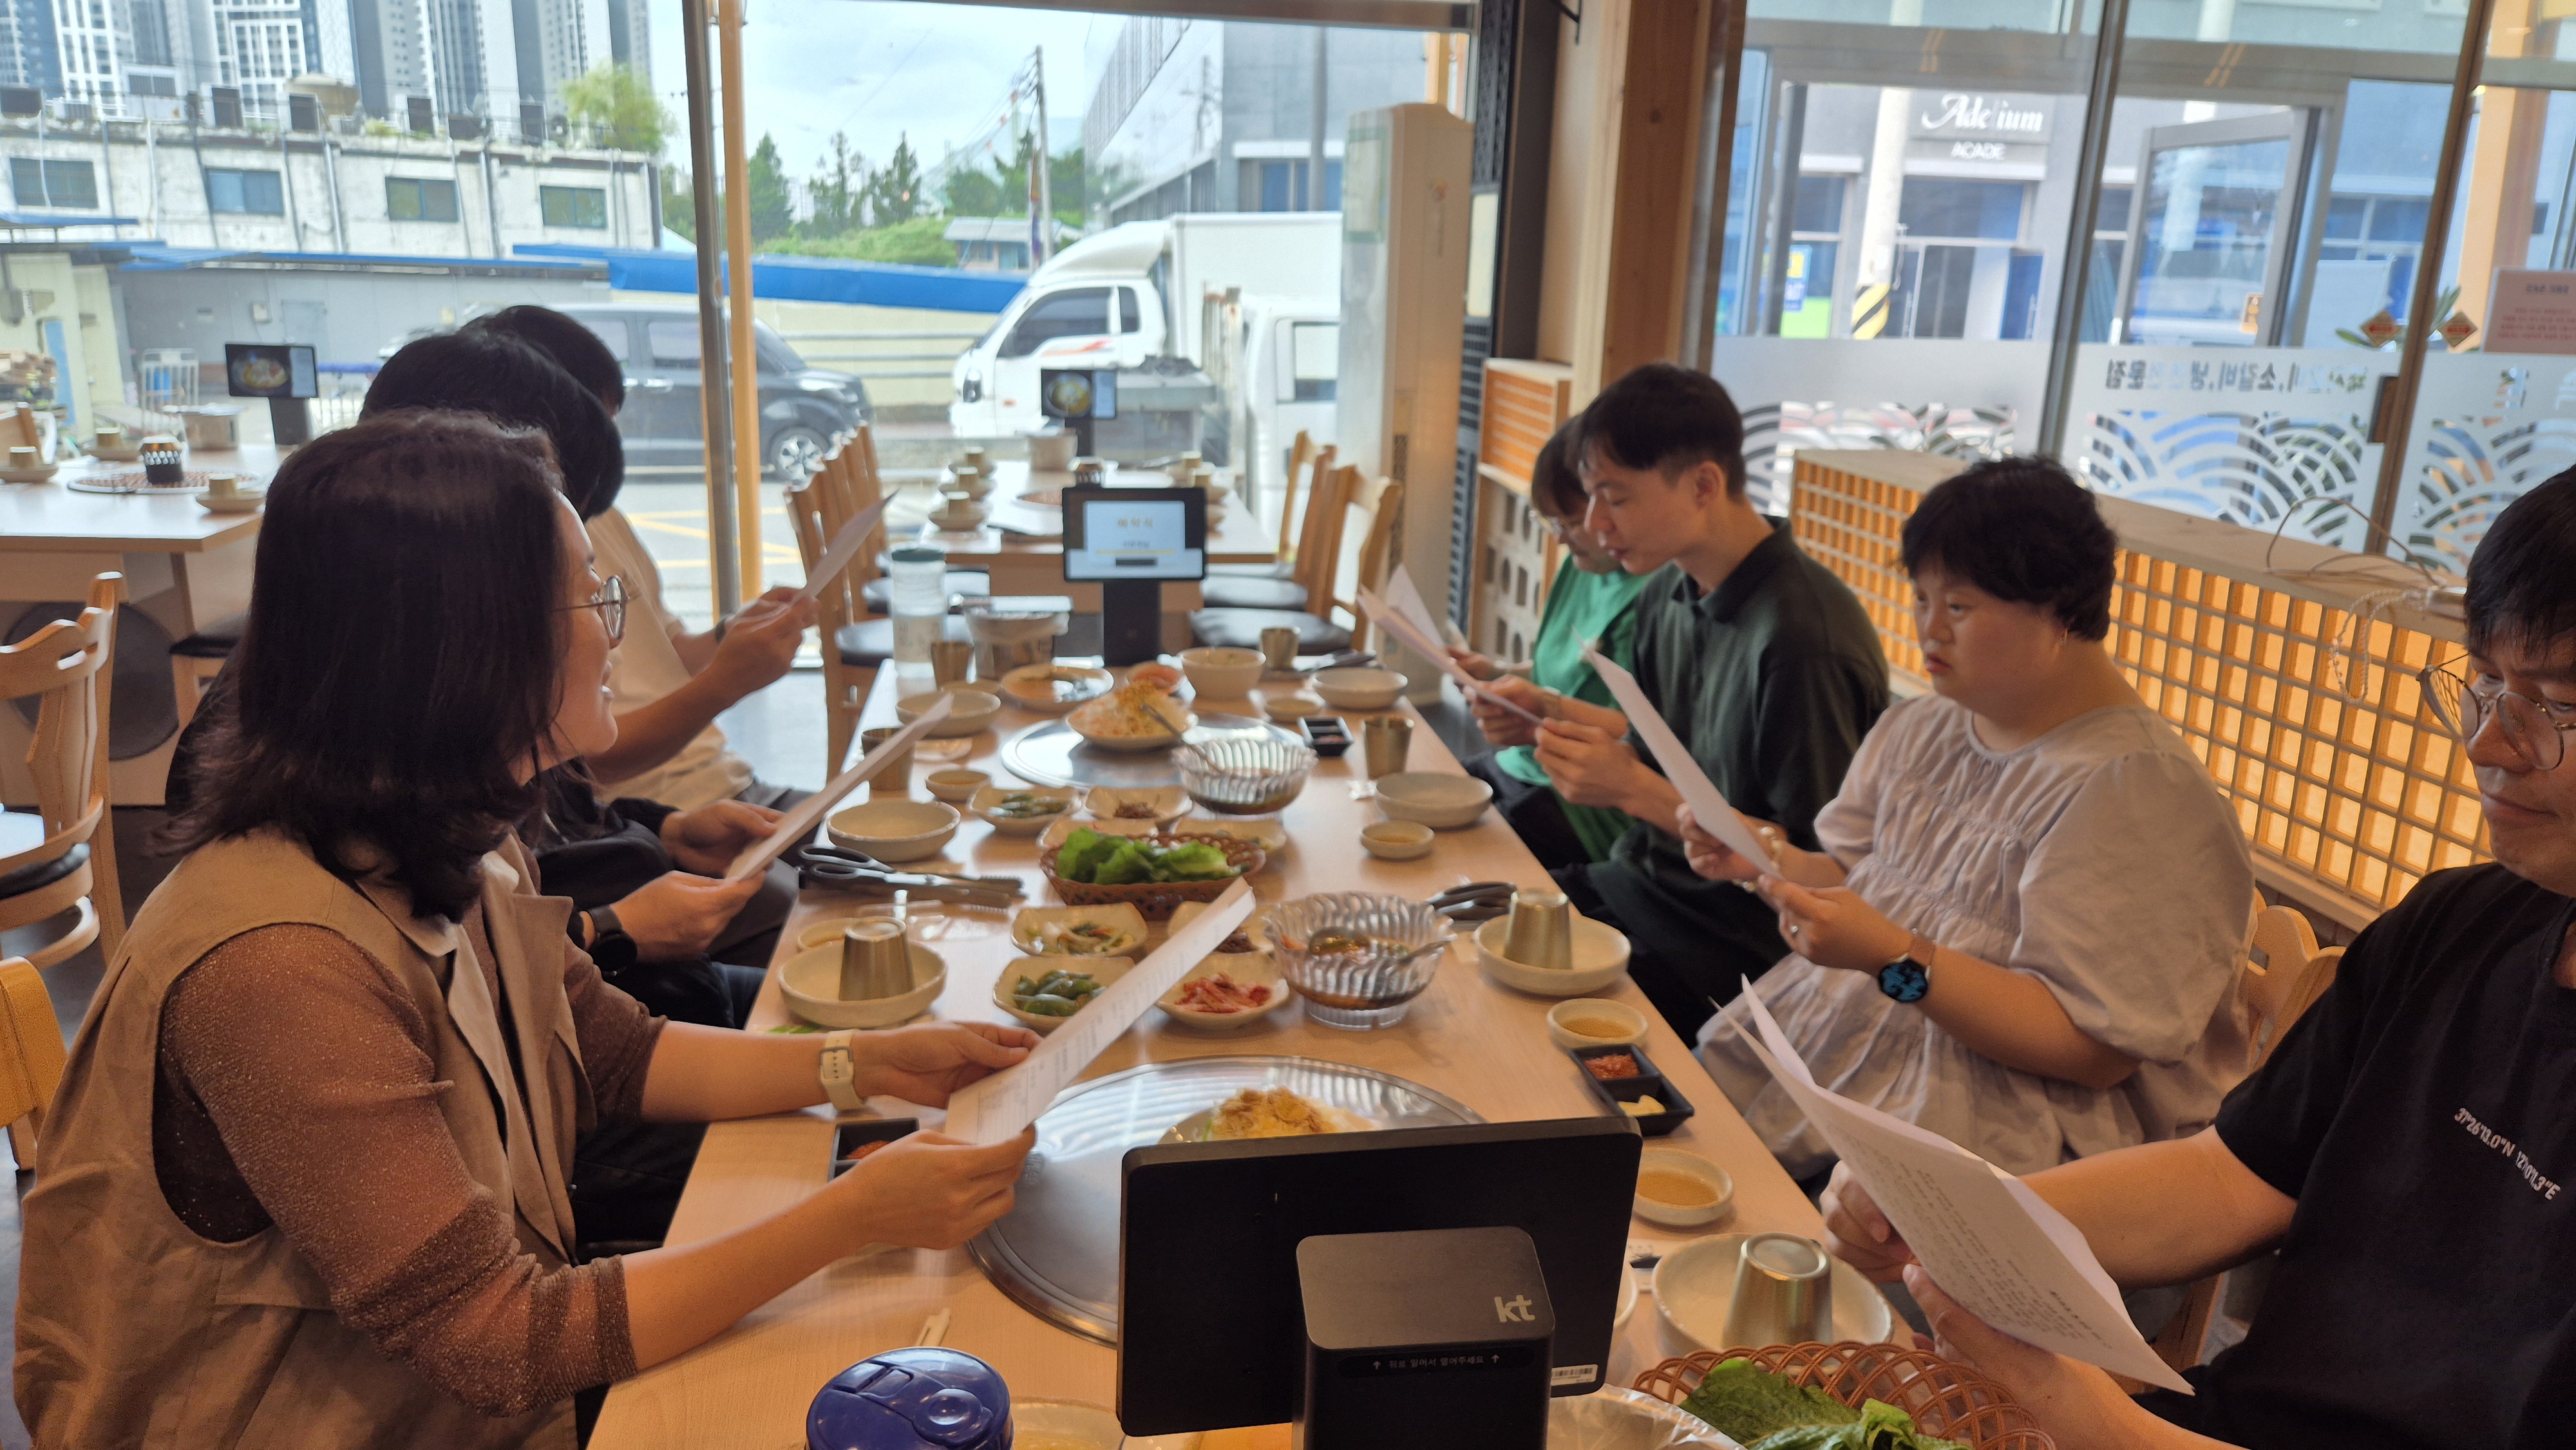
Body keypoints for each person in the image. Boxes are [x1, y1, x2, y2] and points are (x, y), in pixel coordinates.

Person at [15, 412, 1039, 1446]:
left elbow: (613, 1053)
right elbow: (495, 1340)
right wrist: (851, 1216)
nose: (613, 632)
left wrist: (869, 1063)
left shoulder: (452, 832)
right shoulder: (279, 966)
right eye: (592, 597)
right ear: (466, 640)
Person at [1818, 470, 2576, 1450]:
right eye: (2486, 684)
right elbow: (2227, 1178)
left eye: (2554, 706)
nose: (2487, 742)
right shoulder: (2457, 925)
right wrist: (1958, 1220)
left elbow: (2091, 1046)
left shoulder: (2134, 789)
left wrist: (2094, 1422)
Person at [1684, 457, 2254, 1179]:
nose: (1929, 628)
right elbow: (1864, 883)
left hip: (2001, 1136)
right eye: (1921, 597)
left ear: (2059, 609)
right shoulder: (1928, 726)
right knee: (1661, 1135)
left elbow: (2095, 1053)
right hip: (1840, 1064)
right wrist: (1770, 861)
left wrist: (1893, 960)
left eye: (1958, 606)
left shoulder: (2139, 792)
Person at [1478, 364, 1889, 1038]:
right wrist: (1544, 716)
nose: (1595, 524)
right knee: (1466, 932)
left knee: (1500, 1015)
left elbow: (1822, 872)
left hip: (1731, 952)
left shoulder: (1803, 640)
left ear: (1703, 485)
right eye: (1590, 499)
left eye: (1614, 498)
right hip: (1639, 887)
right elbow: (1658, 747)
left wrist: (1631, 788)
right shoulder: (1668, 593)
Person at [464, 305, 822, 811]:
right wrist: (724, 684)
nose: (606, 451)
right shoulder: (515, 559)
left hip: (714, 792)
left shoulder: (600, 519)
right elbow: (583, 759)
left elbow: (668, 651)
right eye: (593, 428)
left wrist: (733, 634)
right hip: (654, 812)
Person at [1446, 419, 1650, 872]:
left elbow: (1644, 735)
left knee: (1452, 860)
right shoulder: (1584, 565)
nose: (1560, 537)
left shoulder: (1652, 595)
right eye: (1551, 522)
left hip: (1578, 798)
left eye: (1571, 523)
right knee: (1424, 795)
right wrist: (1496, 672)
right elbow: (1562, 674)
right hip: (1525, 764)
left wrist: (1544, 707)